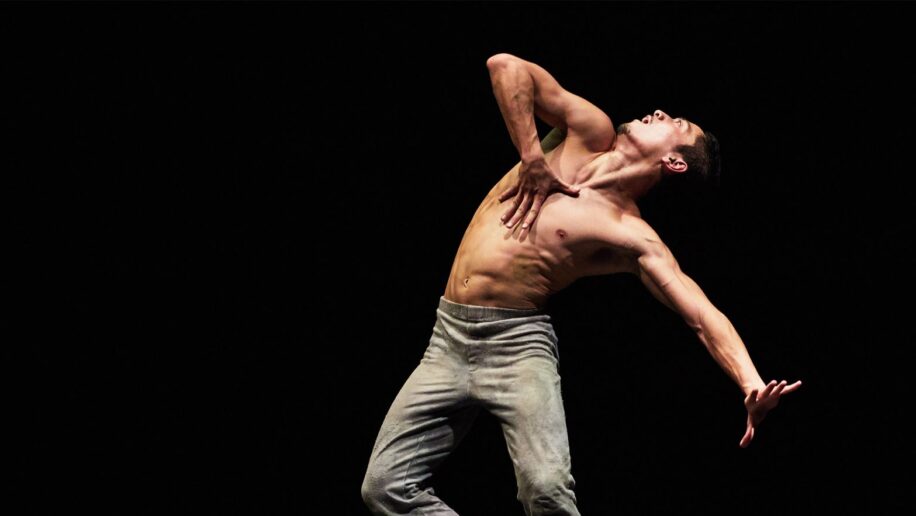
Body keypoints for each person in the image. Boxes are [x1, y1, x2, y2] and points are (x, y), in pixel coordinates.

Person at [360, 53, 802, 516]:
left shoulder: (629, 234)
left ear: (674, 162)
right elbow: (504, 66)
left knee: (547, 492)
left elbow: (700, 313)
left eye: (676, 122)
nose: (659, 112)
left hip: (517, 347)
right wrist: (532, 157)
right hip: (446, 339)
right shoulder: (587, 132)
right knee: (386, 487)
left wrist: (750, 382)